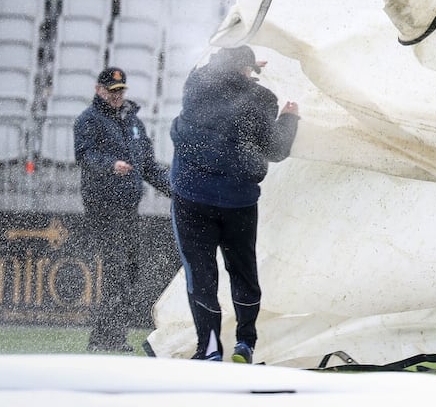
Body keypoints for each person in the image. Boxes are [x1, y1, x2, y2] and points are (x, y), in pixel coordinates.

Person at [169, 45, 300, 363]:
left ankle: (210, 346)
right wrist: (290, 118)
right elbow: (276, 149)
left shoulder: (197, 86)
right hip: (237, 201)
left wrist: (240, 62)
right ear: (248, 70)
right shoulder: (262, 99)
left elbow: (204, 64)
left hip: (192, 196)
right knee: (242, 271)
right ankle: (245, 342)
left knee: (201, 275)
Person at [74, 66, 172, 353]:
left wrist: (174, 192)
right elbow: (85, 155)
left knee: (128, 271)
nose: (117, 96)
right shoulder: (88, 120)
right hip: (103, 207)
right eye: (111, 91)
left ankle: (105, 336)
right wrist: (110, 165)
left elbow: (149, 166)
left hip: (128, 207)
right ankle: (108, 337)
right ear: (99, 90)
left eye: (120, 91)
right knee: (117, 268)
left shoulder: (134, 122)